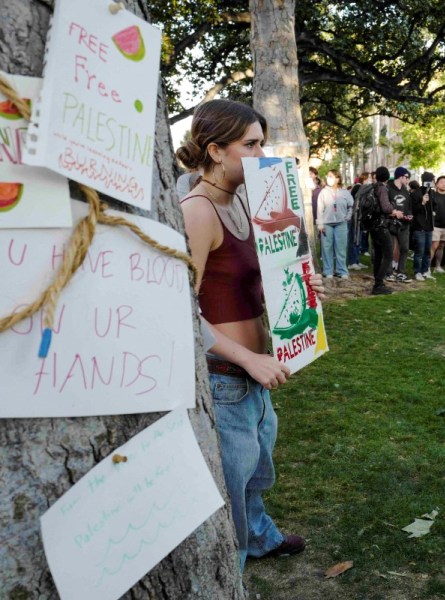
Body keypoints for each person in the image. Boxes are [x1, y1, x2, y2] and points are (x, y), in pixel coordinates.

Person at [177, 99, 323, 569]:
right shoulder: (197, 211)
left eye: (263, 142)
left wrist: (303, 283)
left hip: (256, 374)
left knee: (257, 474)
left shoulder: (246, 200)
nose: (263, 154)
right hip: (226, 376)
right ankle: (232, 567)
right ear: (216, 150)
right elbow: (178, 310)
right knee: (231, 487)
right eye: (251, 144)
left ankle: (259, 538)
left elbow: (262, 277)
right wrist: (248, 359)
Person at [316, 169, 353, 279]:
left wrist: (348, 216)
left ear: (337, 179)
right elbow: (319, 209)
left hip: (341, 223)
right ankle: (328, 271)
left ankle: (342, 271)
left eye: (331, 176)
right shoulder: (323, 192)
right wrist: (320, 224)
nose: (328, 178)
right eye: (328, 176)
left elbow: (351, 205)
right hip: (327, 224)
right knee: (327, 248)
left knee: (341, 248)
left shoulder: (345, 192)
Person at [370, 166, 397, 295]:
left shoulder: (373, 187)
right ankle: (379, 283)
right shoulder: (382, 188)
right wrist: (394, 207)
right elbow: (386, 208)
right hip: (381, 226)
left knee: (379, 255)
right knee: (388, 254)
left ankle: (377, 282)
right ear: (387, 177)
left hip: (373, 226)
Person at [388, 167, 413, 282]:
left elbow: (408, 207)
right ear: (400, 176)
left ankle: (401, 272)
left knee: (404, 248)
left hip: (404, 224)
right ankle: (388, 272)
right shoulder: (388, 189)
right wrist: (393, 213)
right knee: (389, 248)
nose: (408, 180)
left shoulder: (405, 191)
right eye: (407, 177)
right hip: (390, 223)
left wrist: (409, 215)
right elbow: (385, 207)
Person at [410, 171, 434, 280]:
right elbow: (414, 210)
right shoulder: (416, 193)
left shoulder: (431, 193)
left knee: (427, 251)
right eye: (432, 180)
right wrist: (423, 203)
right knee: (419, 251)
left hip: (429, 226)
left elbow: (434, 206)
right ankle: (417, 271)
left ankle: (425, 270)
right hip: (419, 227)